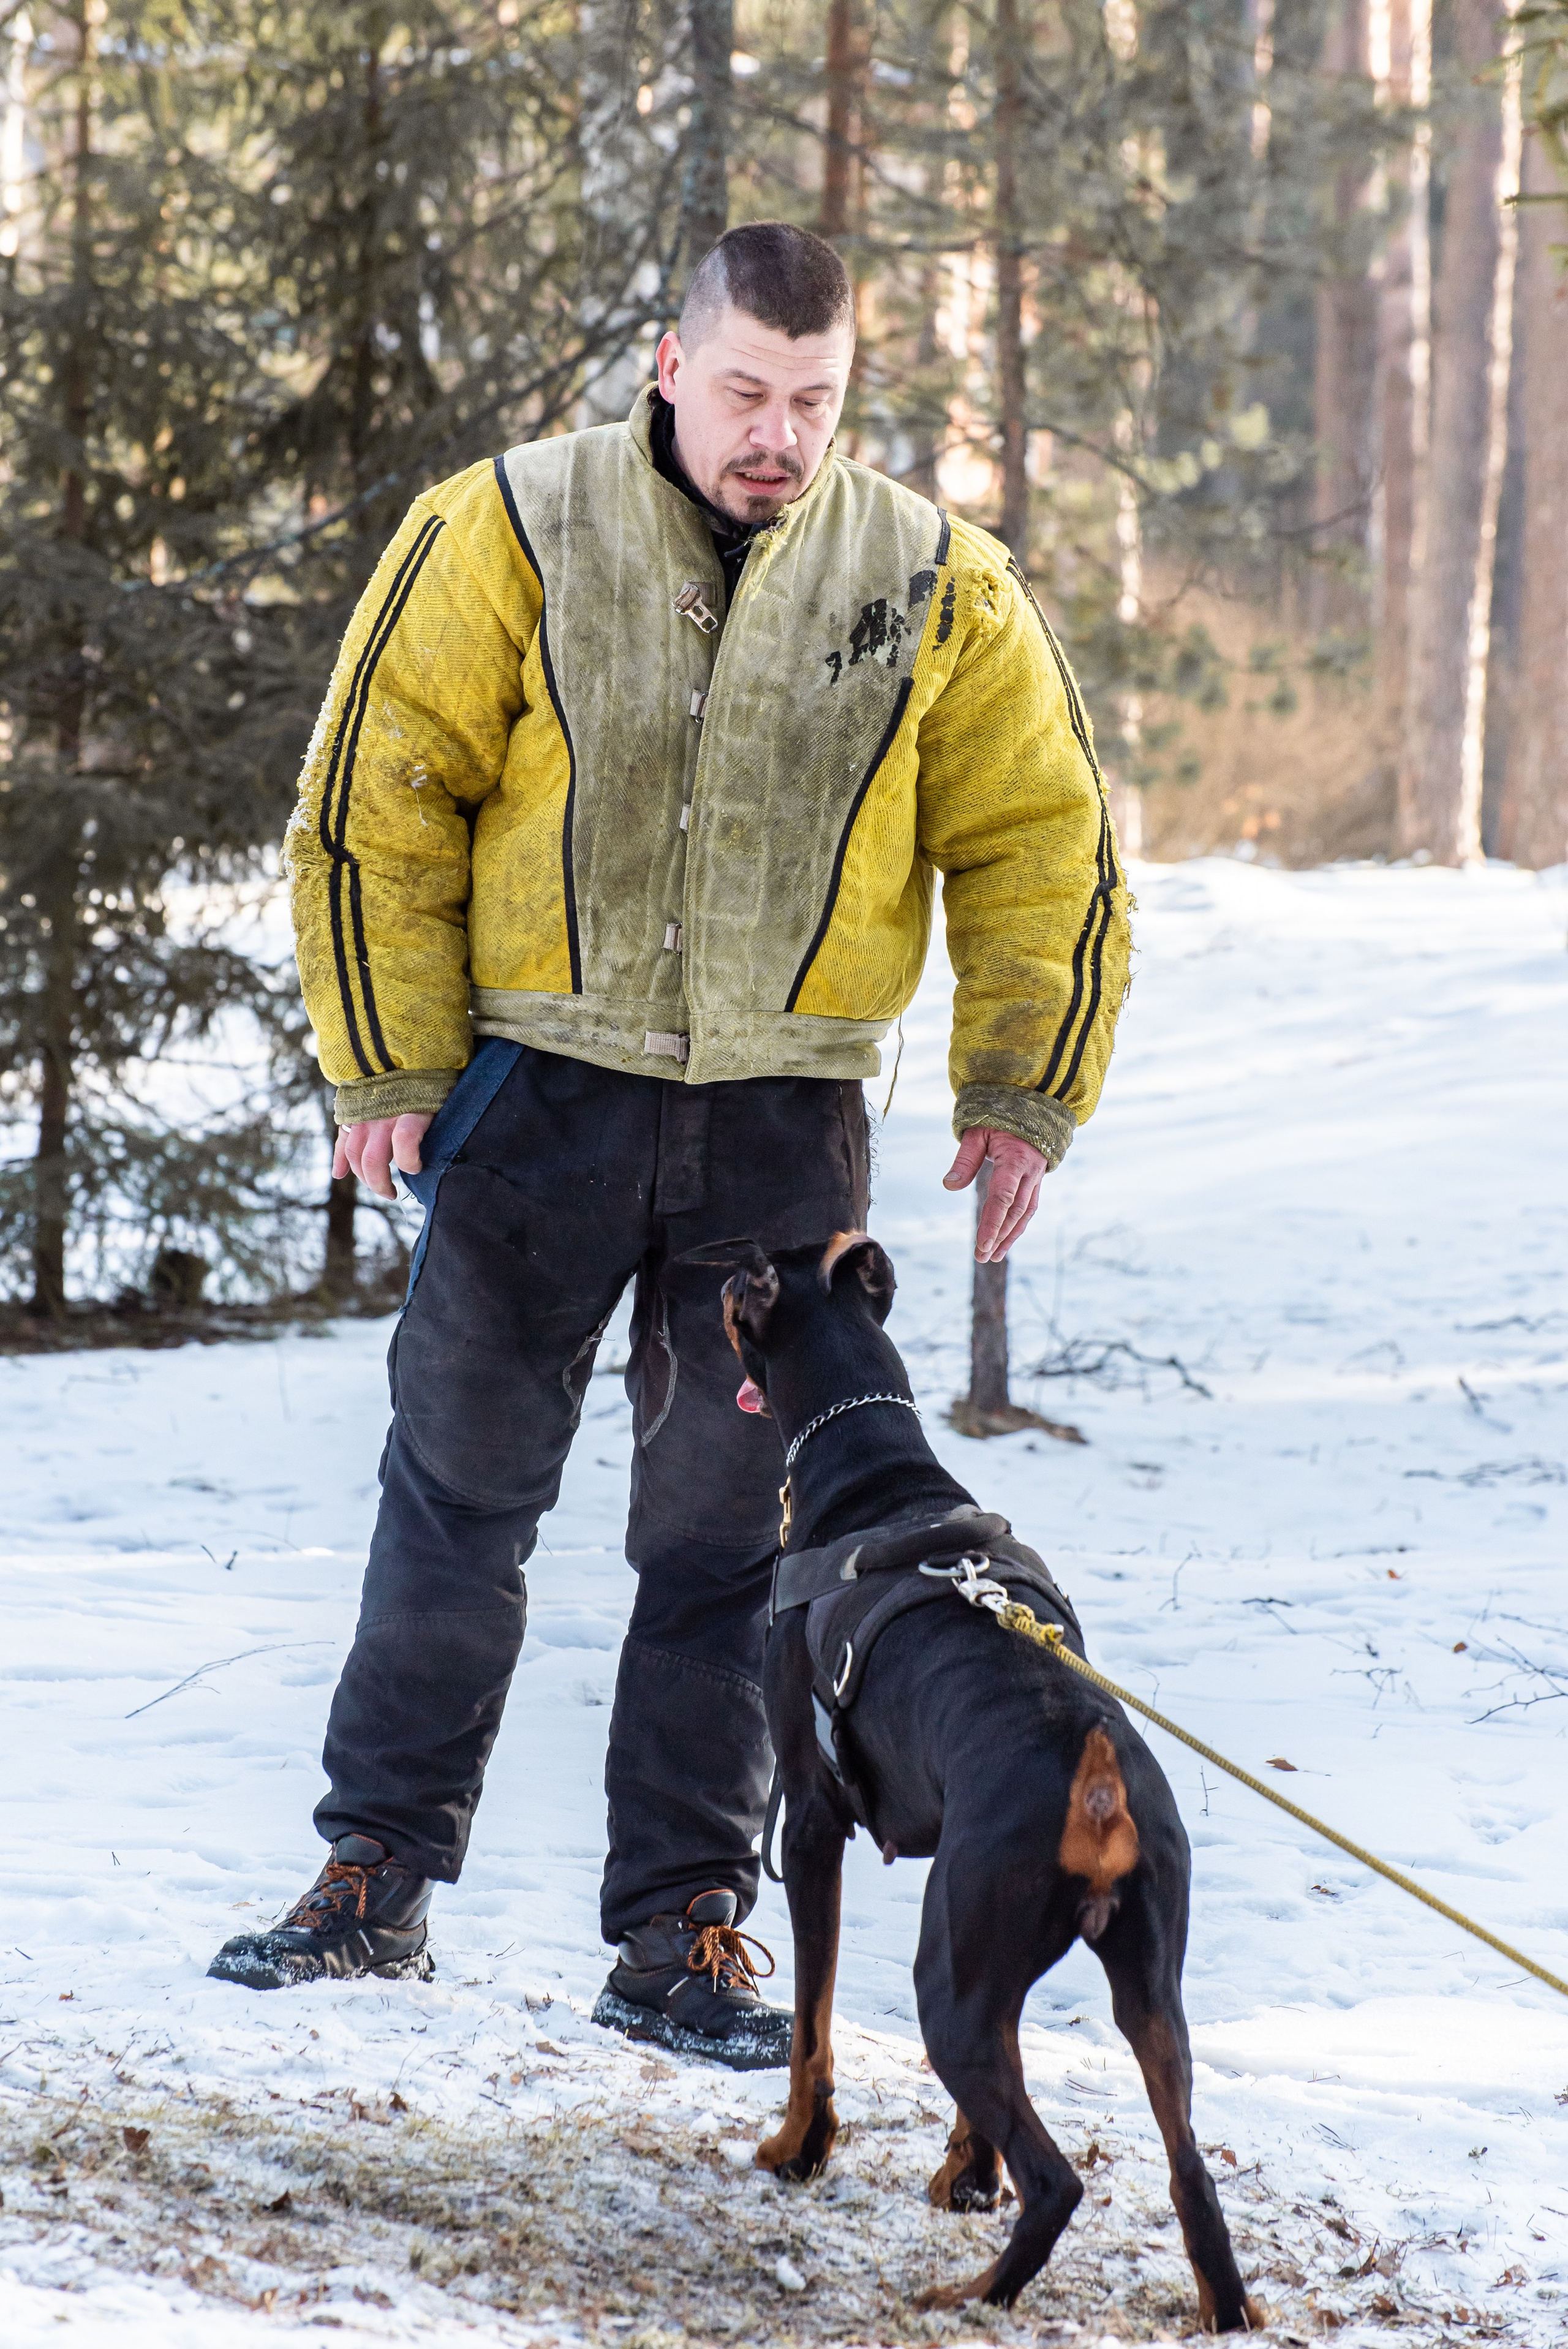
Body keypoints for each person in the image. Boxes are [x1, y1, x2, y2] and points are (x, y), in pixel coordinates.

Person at [208, 222, 1131, 2065]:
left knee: (732, 1545)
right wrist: (387, 1055)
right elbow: (376, 790)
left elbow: (1040, 834)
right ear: (666, 360)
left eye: (814, 400)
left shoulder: (933, 580)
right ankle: (373, 1872)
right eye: (743, 392)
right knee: (458, 1495)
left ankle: (686, 1926)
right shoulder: (511, 526)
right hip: (537, 1102)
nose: (775, 433)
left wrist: (1023, 1078)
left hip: (784, 1126)